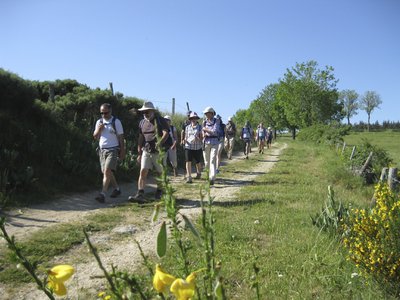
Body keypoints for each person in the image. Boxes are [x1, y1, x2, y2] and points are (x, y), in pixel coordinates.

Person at [128, 101, 171, 203]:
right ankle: (140, 193)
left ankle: (160, 191)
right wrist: (139, 149)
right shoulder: (142, 122)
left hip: (159, 152)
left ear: (152, 111)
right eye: (144, 112)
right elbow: (141, 137)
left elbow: (166, 133)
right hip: (146, 150)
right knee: (143, 170)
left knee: (160, 172)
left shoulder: (160, 120)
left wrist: (160, 142)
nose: (145, 113)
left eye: (147, 111)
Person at [93, 103, 126, 203]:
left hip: (113, 149)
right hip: (102, 150)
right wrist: (99, 129)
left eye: (105, 113)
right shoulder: (99, 122)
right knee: (107, 172)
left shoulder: (116, 122)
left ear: (110, 111)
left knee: (107, 170)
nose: (103, 115)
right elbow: (95, 136)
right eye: (101, 113)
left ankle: (102, 193)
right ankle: (117, 189)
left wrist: (122, 150)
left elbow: (121, 137)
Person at [182, 112, 203, 183]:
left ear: (197, 119)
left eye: (195, 118)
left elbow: (202, 138)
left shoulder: (200, 127)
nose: (193, 119)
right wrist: (184, 140)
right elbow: (186, 137)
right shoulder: (187, 127)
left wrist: (199, 138)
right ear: (190, 119)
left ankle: (199, 173)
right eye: (192, 118)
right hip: (188, 146)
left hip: (197, 147)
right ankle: (189, 176)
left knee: (198, 162)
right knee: (188, 161)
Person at [202, 106, 220, 185]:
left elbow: (214, 131)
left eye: (208, 113)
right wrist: (204, 133)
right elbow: (202, 132)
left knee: (212, 160)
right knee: (206, 161)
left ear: (212, 113)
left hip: (214, 142)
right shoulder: (204, 122)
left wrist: (205, 130)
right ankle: (207, 176)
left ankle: (212, 177)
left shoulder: (217, 121)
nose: (207, 115)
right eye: (206, 114)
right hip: (206, 142)